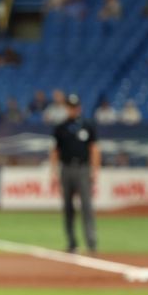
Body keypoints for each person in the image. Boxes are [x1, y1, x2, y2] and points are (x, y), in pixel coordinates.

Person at [49, 94, 99, 254]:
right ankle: (72, 242)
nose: (72, 109)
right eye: (70, 107)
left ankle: (91, 243)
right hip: (66, 168)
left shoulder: (87, 125)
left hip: (83, 168)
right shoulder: (60, 127)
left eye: (75, 106)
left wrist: (95, 171)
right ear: (67, 108)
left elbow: (94, 149)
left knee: (86, 206)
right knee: (68, 207)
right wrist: (53, 171)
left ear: (79, 108)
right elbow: (55, 151)